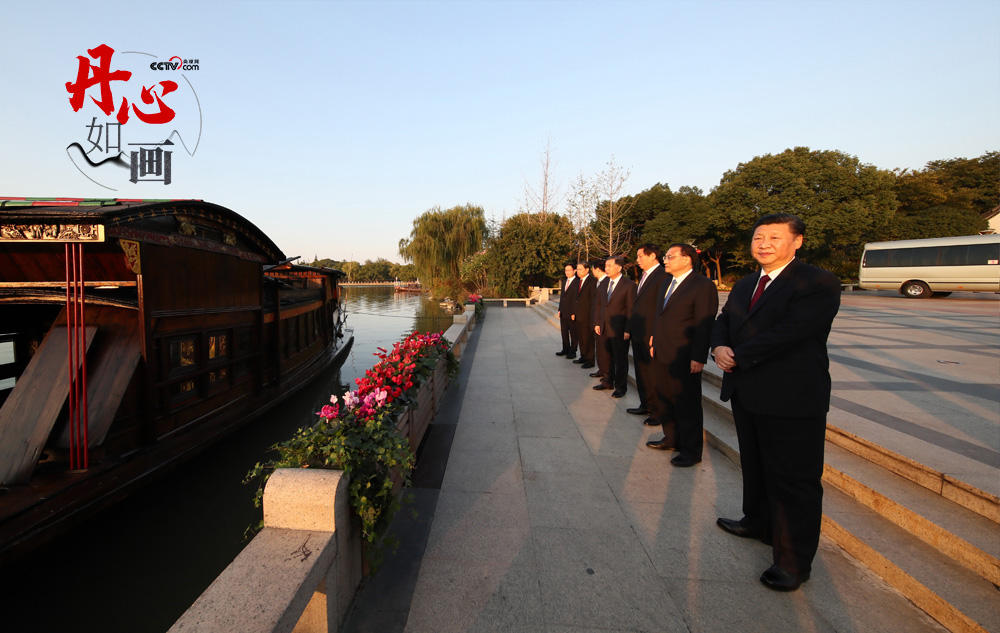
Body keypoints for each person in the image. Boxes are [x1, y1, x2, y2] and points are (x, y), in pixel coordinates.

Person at [710, 213, 841, 592]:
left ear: (797, 241)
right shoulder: (746, 283)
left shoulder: (817, 281)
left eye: (774, 237)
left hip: (791, 397)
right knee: (755, 465)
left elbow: (794, 332)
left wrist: (739, 354)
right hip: (747, 392)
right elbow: (724, 320)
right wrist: (718, 345)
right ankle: (757, 521)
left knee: (794, 480)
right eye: (758, 237)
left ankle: (793, 561)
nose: (764, 244)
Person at [645, 243, 719, 468]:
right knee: (665, 397)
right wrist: (653, 338)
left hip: (685, 354)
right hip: (662, 350)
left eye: (670, 256)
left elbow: (704, 323)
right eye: (665, 256)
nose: (665, 260)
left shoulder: (702, 285)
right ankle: (671, 437)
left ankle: (691, 450)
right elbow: (660, 315)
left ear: (686, 259)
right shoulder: (667, 282)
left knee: (687, 404)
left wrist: (698, 356)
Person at [626, 243, 666, 419]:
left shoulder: (663, 275)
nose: (637, 260)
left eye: (640, 256)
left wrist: (655, 334)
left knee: (653, 373)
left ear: (652, 256)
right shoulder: (644, 276)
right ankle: (646, 404)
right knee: (641, 370)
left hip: (651, 333)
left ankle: (657, 410)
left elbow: (661, 308)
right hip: (639, 331)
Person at [593, 255, 635, 398]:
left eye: (610, 266)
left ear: (619, 267)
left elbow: (631, 309)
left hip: (619, 329)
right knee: (605, 357)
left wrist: (628, 329)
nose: (607, 269)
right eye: (606, 266)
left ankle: (620, 386)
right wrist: (597, 323)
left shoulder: (629, 285)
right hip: (604, 327)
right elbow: (599, 306)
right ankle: (607, 381)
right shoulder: (604, 283)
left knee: (620, 359)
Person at [572, 261, 597, 369]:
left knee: (588, 339)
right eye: (577, 269)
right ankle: (583, 356)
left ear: (587, 270)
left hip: (587, 315)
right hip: (579, 315)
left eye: (580, 269)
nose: (578, 271)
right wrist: (574, 312)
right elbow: (576, 299)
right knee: (581, 338)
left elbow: (593, 300)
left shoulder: (592, 281)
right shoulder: (579, 281)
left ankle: (590, 360)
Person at [589, 260, 609, 380]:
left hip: (604, 322)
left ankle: (606, 373)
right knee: (600, 349)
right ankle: (601, 370)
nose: (592, 271)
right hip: (597, 321)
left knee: (604, 351)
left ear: (597, 269)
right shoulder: (599, 282)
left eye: (592, 269)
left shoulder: (606, 282)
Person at [555, 263, 579, 359]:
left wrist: (575, 312)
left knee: (573, 332)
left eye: (569, 270)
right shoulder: (565, 282)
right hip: (563, 311)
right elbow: (562, 297)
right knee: (564, 332)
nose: (567, 272)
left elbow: (577, 299)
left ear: (574, 271)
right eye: (566, 270)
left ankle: (573, 351)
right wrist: (560, 309)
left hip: (572, 312)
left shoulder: (578, 282)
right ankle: (565, 348)